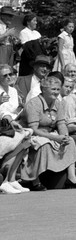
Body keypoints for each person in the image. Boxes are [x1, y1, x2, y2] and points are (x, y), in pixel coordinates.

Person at [19, 76, 76, 190]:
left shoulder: (58, 103)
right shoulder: (34, 104)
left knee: (70, 141)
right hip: (30, 133)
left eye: (57, 89)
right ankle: (35, 181)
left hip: (49, 133)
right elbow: (33, 129)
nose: (56, 92)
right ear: (44, 89)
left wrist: (64, 136)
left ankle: (72, 177)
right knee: (43, 144)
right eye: (53, 89)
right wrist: (55, 138)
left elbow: (61, 123)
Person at [0, 64, 33, 194]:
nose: (9, 77)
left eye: (11, 74)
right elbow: (2, 111)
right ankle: (5, 181)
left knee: (27, 140)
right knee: (20, 139)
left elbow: (14, 110)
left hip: (12, 124)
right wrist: (11, 120)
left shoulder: (13, 91)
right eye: (5, 75)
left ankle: (12, 179)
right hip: (4, 126)